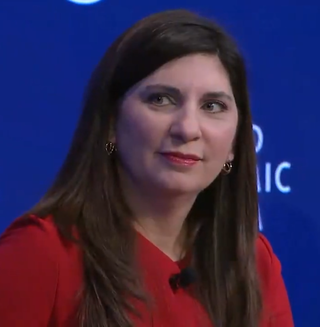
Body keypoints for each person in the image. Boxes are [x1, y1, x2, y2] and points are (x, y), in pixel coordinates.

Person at [0, 9, 294, 327]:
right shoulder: (40, 254)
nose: (187, 128)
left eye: (213, 106)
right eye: (161, 100)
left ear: (235, 142)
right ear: (111, 123)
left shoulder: (253, 261)